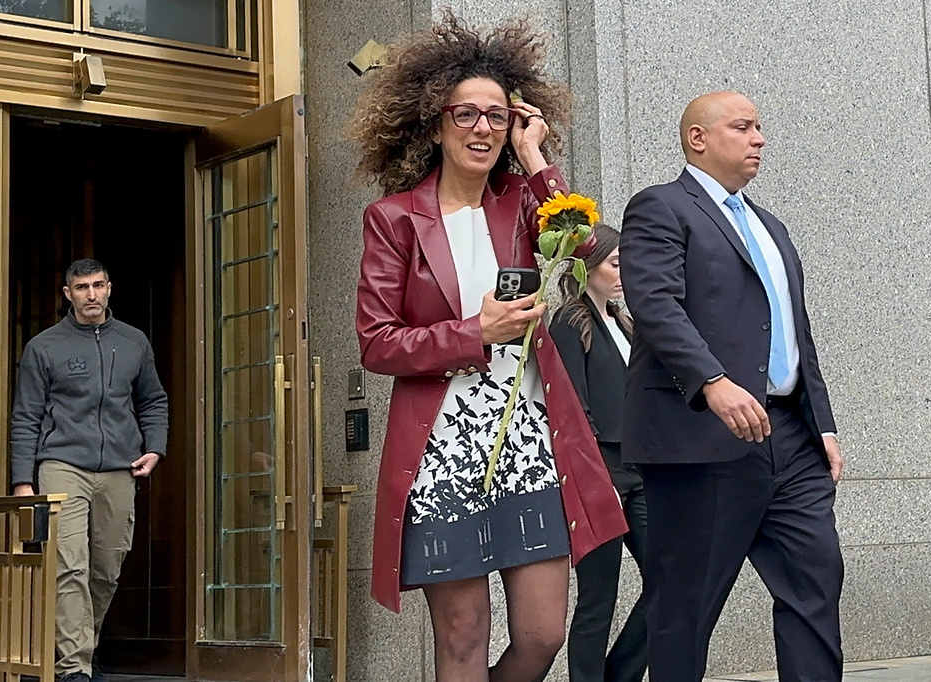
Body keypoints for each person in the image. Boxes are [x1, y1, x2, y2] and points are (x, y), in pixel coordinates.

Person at [350, 14, 626, 682]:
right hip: (443, 454)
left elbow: (587, 246)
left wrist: (536, 158)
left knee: (540, 636)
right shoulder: (395, 220)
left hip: (530, 448)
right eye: (466, 113)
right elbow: (377, 342)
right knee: (465, 640)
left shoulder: (521, 205)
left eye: (498, 117)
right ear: (435, 123)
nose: (482, 128)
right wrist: (476, 334)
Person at [618, 91, 845, 682]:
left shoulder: (769, 224)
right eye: (743, 127)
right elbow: (655, 306)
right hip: (701, 438)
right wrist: (712, 382)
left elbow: (794, 329)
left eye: (760, 127)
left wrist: (821, 423)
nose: (759, 138)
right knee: (685, 610)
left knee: (815, 584)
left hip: (790, 439)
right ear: (698, 138)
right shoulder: (660, 207)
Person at [10, 258, 168, 682]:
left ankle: (81, 644)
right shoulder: (44, 346)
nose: (91, 294)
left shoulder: (133, 342)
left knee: (106, 568)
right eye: (82, 288)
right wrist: (23, 480)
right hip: (62, 463)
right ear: (68, 294)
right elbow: (25, 416)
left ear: (110, 288)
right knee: (69, 566)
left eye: (98, 285)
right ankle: (73, 667)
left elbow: (153, 400)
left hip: (119, 467)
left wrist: (155, 448)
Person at [550, 224, 647, 682]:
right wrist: (593, 476)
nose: (624, 271)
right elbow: (573, 407)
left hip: (641, 469)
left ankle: (620, 675)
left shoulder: (626, 322)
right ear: (588, 267)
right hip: (599, 472)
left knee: (671, 579)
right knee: (598, 596)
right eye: (614, 263)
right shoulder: (571, 321)